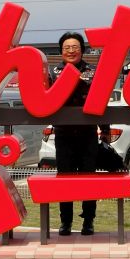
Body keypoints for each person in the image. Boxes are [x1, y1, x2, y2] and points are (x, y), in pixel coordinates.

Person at [49, 32, 110, 236]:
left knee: (89, 179)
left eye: (75, 47)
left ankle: (88, 221)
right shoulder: (53, 73)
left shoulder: (93, 72)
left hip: (87, 136)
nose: (71, 51)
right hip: (63, 136)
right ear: (61, 51)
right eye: (66, 48)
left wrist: (105, 130)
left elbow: (101, 102)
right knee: (64, 179)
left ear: (82, 50)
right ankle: (65, 222)